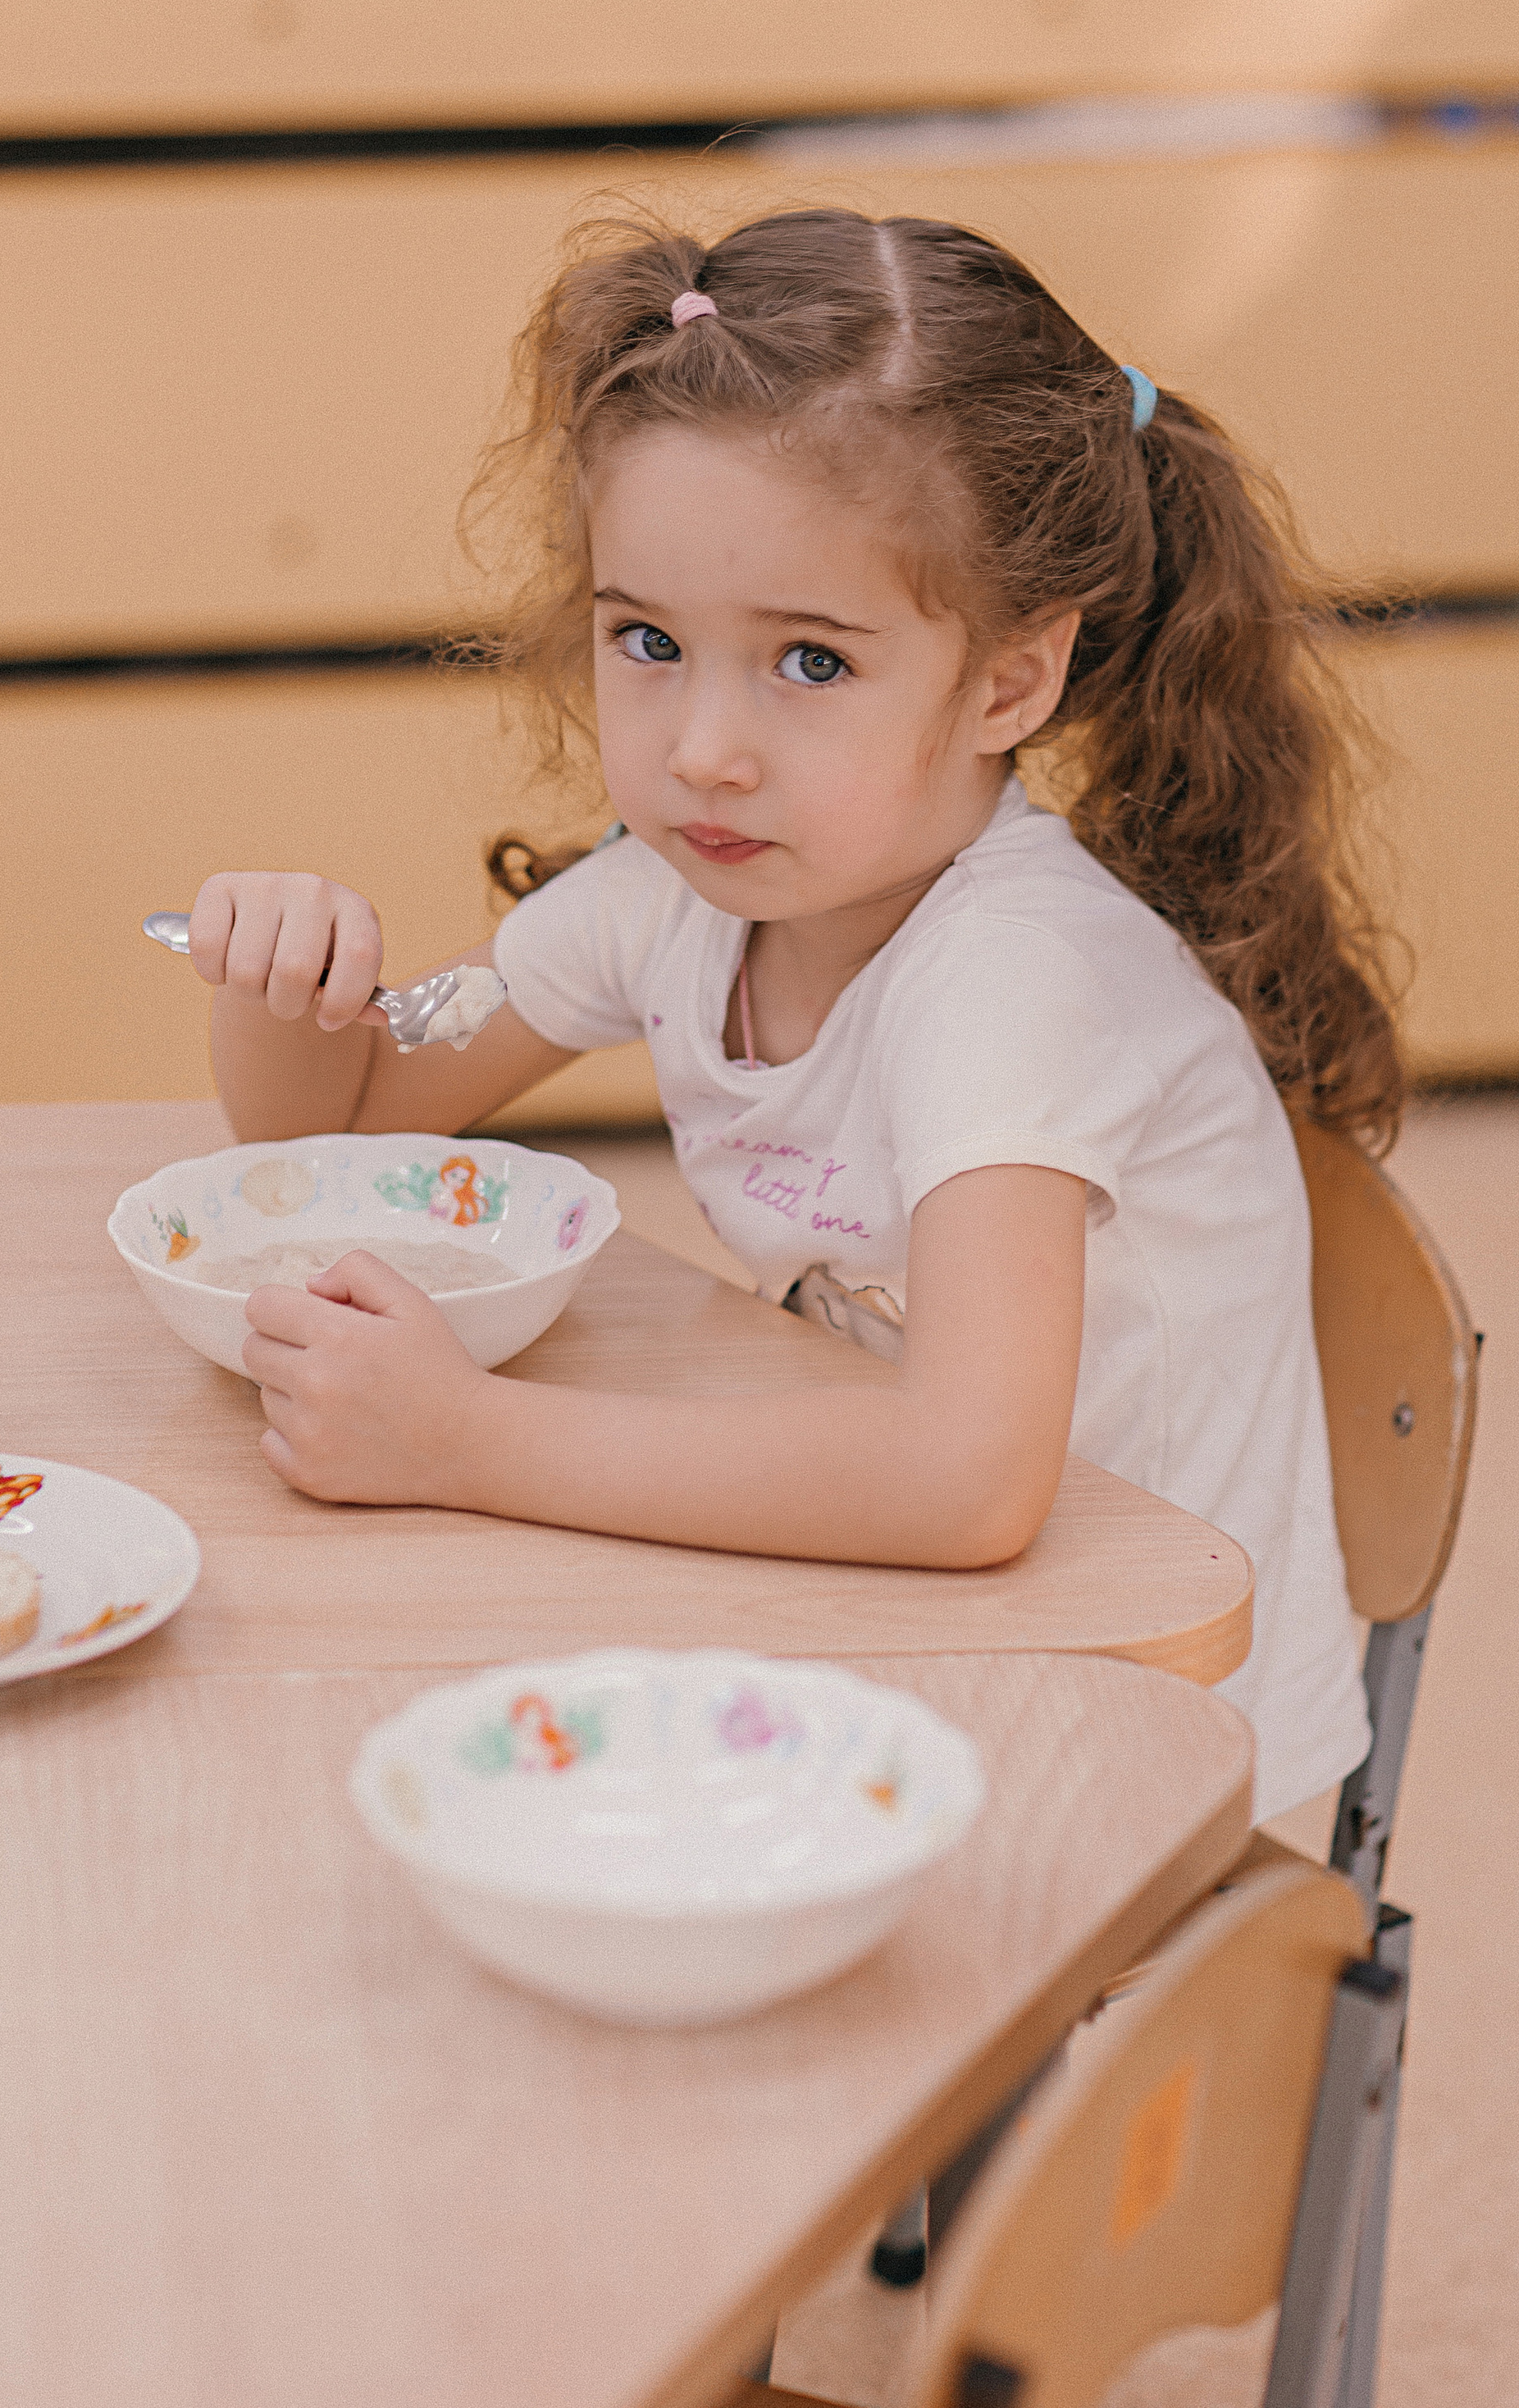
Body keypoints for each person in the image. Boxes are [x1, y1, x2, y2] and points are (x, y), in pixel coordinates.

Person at [191, 209, 1402, 1820]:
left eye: (808, 665)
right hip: (917, 1635)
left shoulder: (1008, 984)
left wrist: (463, 1437)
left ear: (1006, 686)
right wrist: (284, 988)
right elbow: (332, 1139)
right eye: (648, 642)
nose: (699, 747)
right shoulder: (686, 890)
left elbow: (966, 1478)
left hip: (1143, 1752)